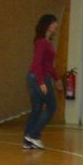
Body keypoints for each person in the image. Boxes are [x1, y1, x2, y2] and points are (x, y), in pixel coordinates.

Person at [23, 14, 62, 150]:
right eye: (53, 22)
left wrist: (56, 79)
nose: (56, 25)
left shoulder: (45, 42)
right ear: (47, 25)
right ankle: (34, 135)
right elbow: (37, 63)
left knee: (37, 109)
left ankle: (27, 140)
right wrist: (41, 82)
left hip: (36, 77)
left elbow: (49, 65)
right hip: (38, 77)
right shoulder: (42, 43)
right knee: (52, 106)